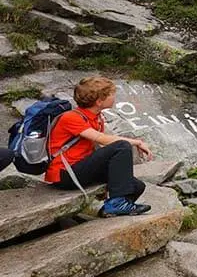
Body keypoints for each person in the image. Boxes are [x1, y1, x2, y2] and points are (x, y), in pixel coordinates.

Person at [46, 76, 154, 217]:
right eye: (111, 95)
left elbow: (100, 145)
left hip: (82, 167)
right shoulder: (71, 117)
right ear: (99, 101)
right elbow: (103, 139)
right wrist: (137, 142)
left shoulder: (96, 117)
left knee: (137, 187)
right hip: (65, 173)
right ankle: (116, 204)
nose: (114, 97)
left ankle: (110, 209)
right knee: (122, 146)